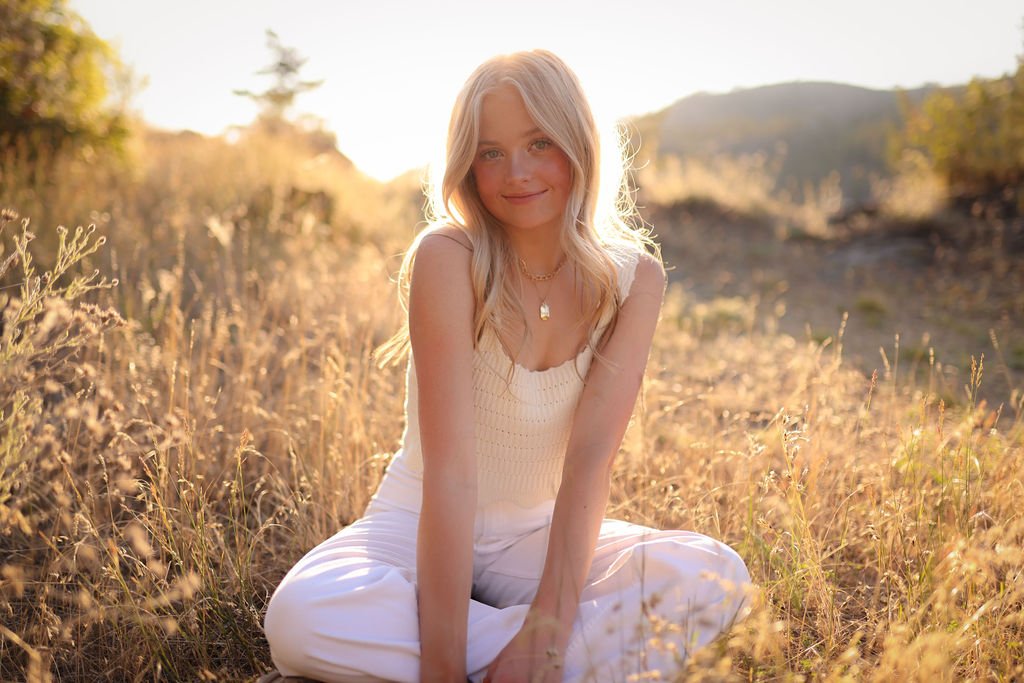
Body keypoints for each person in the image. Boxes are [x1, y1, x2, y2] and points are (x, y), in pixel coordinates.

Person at [261, 49, 752, 683]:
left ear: (578, 145)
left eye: (539, 143)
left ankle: (525, 652)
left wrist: (545, 639)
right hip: (417, 518)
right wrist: (449, 667)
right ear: (467, 163)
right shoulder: (448, 256)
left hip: (535, 533)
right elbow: (450, 474)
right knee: (301, 618)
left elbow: (588, 465)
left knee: (718, 578)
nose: (515, 173)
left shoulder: (636, 279)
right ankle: (518, 655)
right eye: (490, 152)